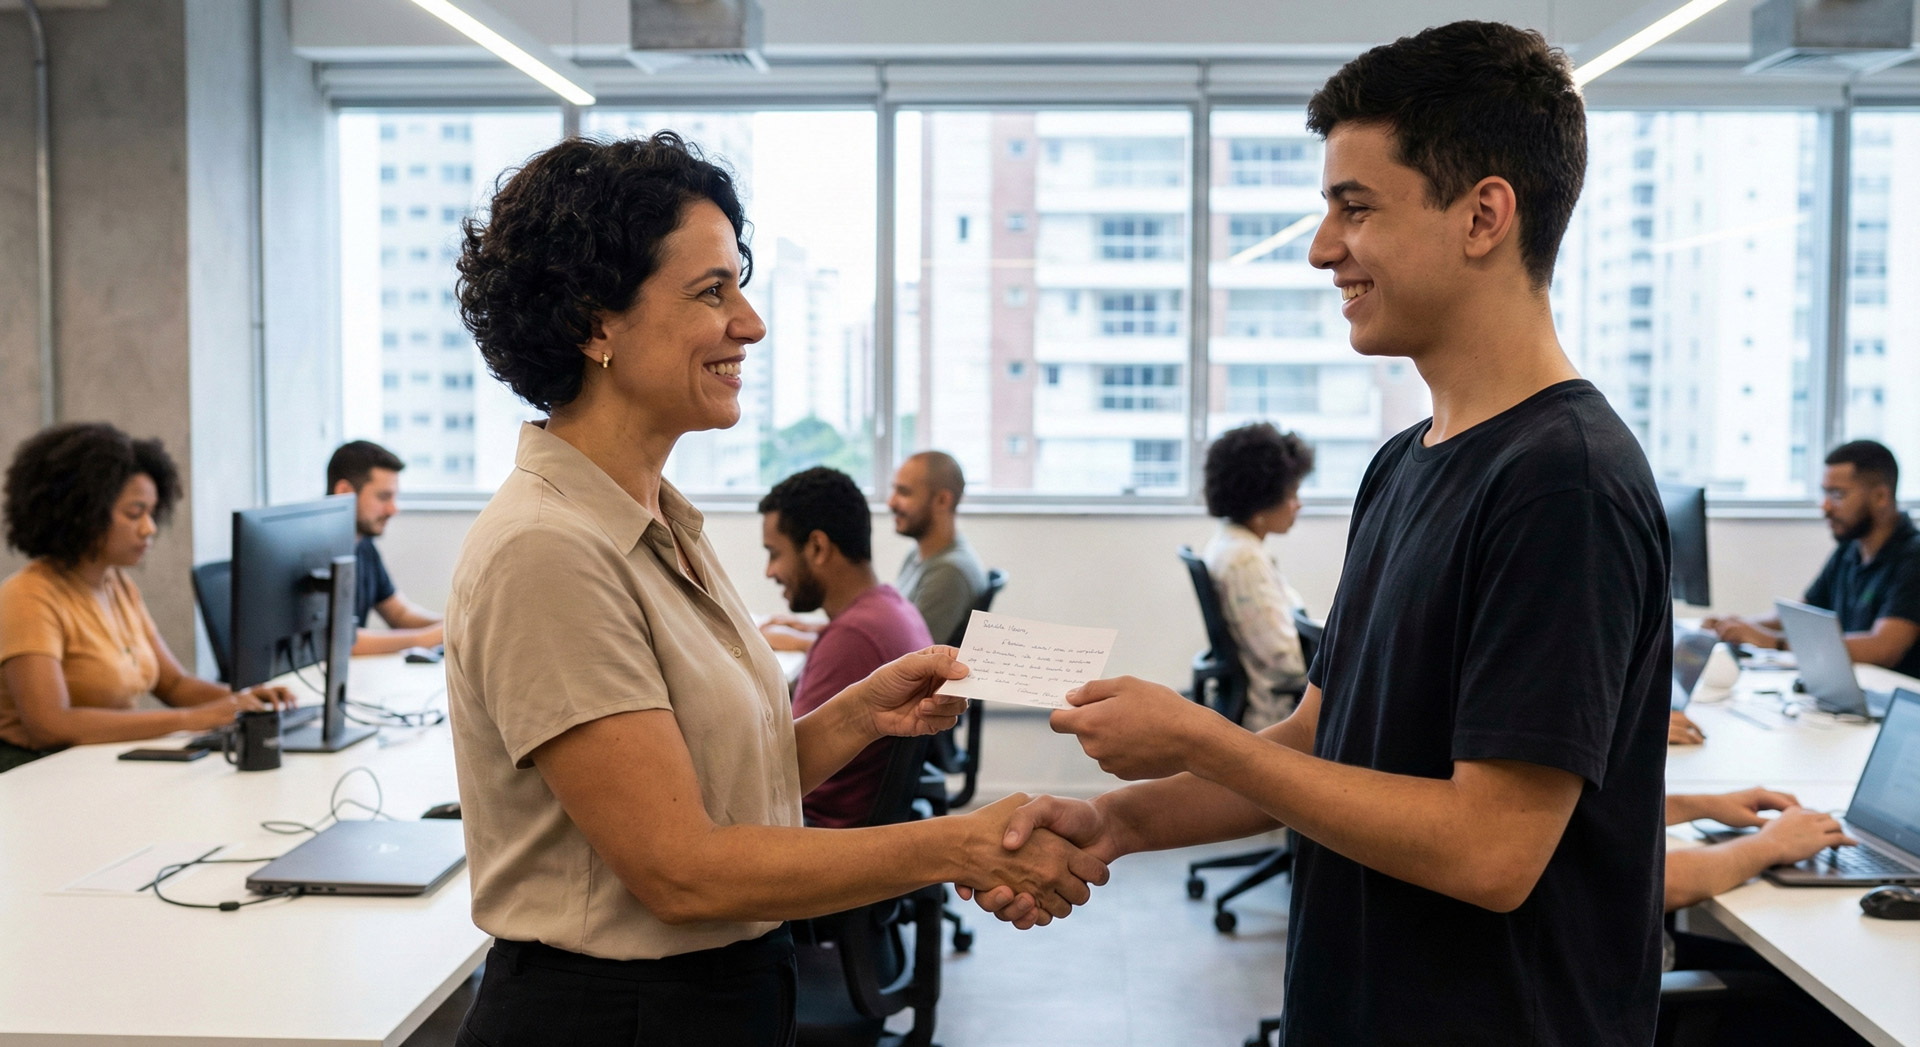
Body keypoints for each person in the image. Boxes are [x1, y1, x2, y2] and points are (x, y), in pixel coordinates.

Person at [965, 24, 1672, 1046]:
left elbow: (1491, 852)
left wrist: (1199, 733)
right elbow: (1314, 743)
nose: (1321, 247)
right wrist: (1117, 824)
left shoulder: (1565, 482)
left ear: (1483, 216)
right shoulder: (1405, 464)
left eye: (1356, 207)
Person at [446, 131, 1104, 1046]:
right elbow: (683, 869)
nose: (749, 323)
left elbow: (716, 795)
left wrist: (858, 714)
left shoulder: (658, 518)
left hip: (711, 996)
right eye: (712, 292)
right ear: (595, 322)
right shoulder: (547, 550)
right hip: (613, 1016)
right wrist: (956, 841)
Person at [0, 423, 292, 772]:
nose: (149, 528)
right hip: (36, 773)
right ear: (82, 513)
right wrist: (191, 718)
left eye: (152, 513)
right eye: (134, 513)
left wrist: (244, 699)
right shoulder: (28, 596)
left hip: (97, 764)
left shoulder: (117, 585)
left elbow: (173, 683)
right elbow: (50, 725)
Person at [757, 467, 934, 827]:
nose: (770, 571)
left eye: (775, 553)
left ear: (818, 547)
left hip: (815, 832)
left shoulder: (852, 639)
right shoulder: (890, 607)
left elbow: (778, 774)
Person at [1662, 789, 1869, 1045]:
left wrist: (1694, 805)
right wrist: (1771, 844)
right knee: (1838, 998)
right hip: (1619, 993)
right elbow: (1634, 888)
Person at [1704, 440, 1920, 678]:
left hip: (1895, 703)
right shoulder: (1850, 549)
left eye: (1838, 494)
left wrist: (1774, 642)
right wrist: (1736, 626)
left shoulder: (1913, 556)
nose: (1825, 507)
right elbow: (1801, 615)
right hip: (1854, 691)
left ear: (1880, 497)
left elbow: (1884, 647)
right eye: (1824, 493)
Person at [1200, 422, 1316, 731]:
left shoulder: (1229, 545)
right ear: (1260, 500)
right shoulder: (1244, 561)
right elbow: (1285, 661)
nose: (1298, 504)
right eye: (1292, 493)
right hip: (1272, 718)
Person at [324, 441, 445, 656]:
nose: (393, 509)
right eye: (383, 497)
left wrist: (456, 624)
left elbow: (399, 613)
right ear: (344, 492)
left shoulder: (364, 545)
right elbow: (336, 640)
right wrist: (425, 639)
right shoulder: (312, 553)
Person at [889, 451, 988, 646]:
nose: (891, 502)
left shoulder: (949, 573)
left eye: (904, 492)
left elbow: (911, 655)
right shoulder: (919, 554)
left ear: (943, 500)